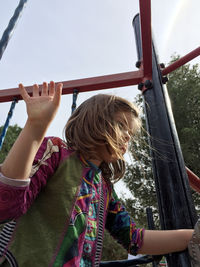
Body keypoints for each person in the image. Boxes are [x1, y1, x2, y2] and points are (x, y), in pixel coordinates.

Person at [0, 81, 198, 266]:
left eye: (130, 133)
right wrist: (35, 127)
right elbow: (6, 203)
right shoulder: (57, 152)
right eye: (121, 125)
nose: (127, 136)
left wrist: (194, 236)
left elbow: (135, 239)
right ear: (94, 120)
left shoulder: (104, 188)